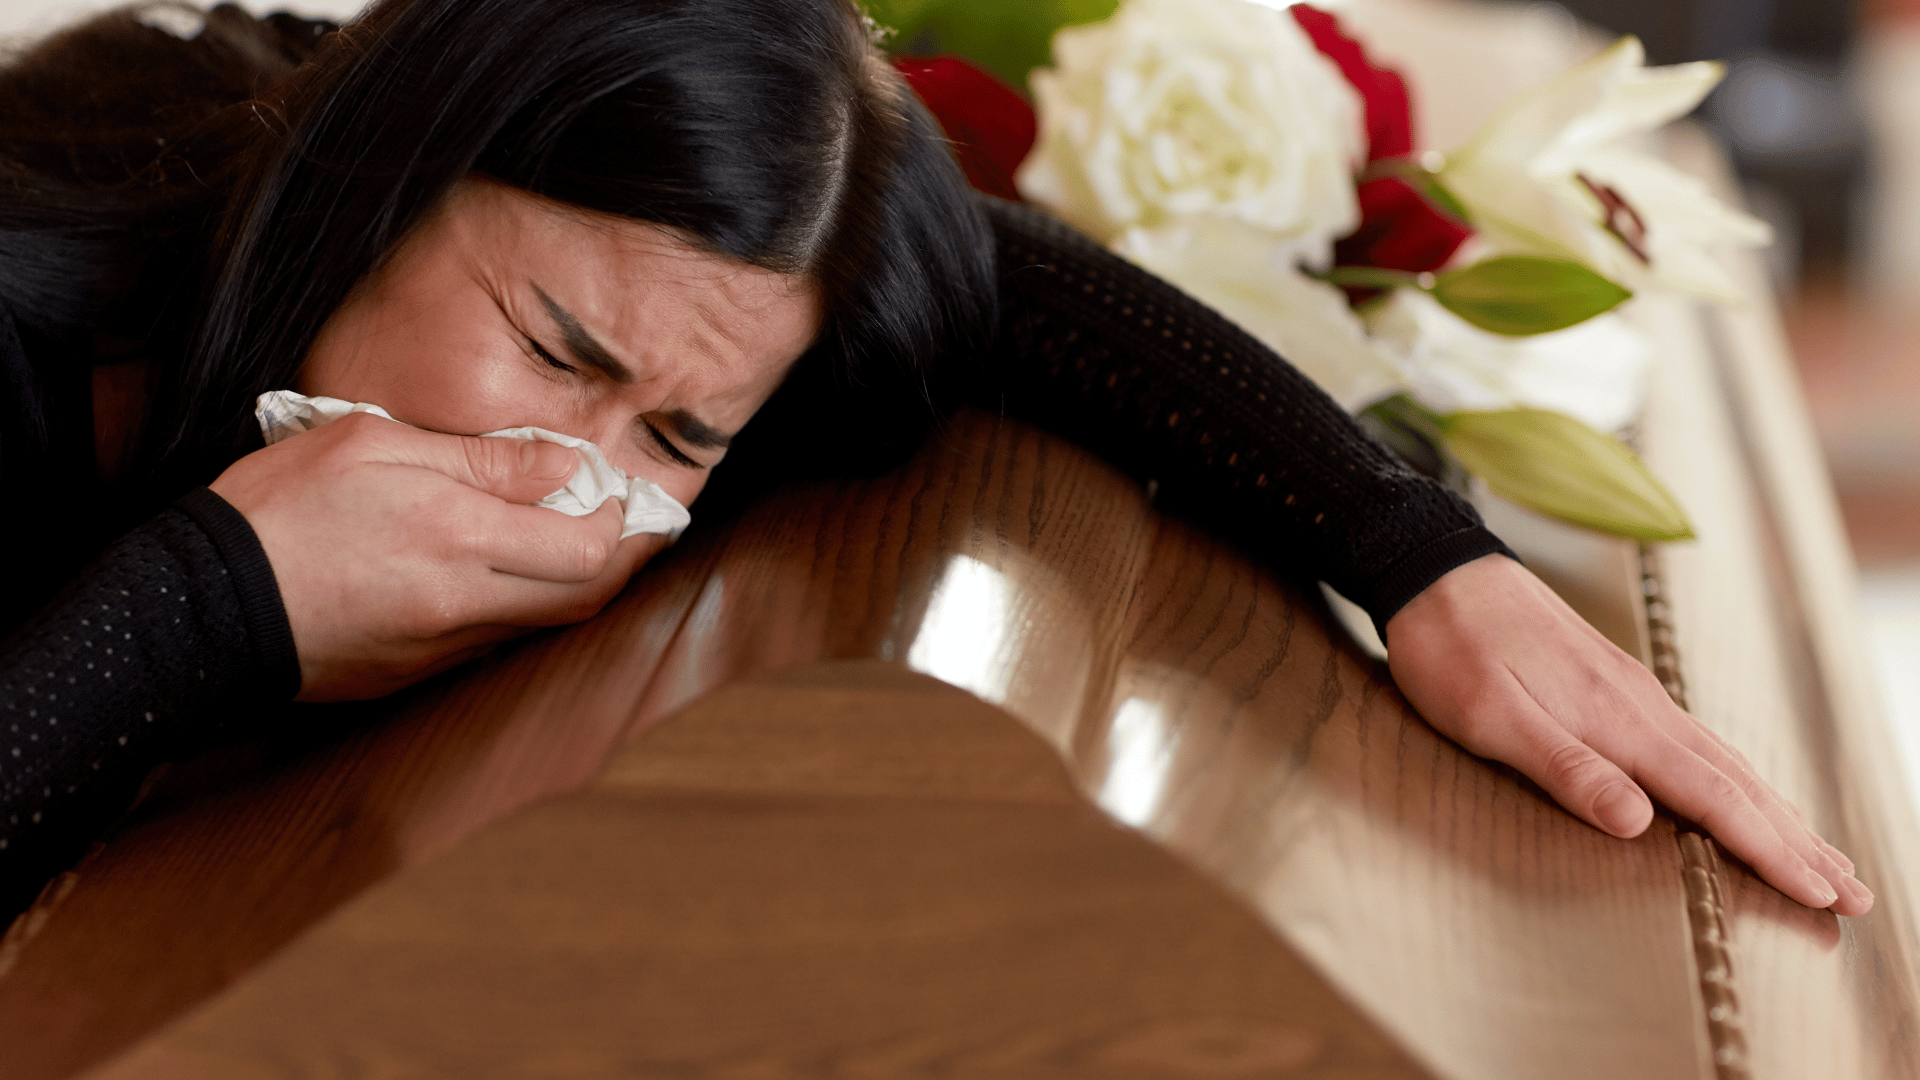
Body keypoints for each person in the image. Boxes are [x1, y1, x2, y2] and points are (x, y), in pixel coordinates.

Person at [0, 0, 1868, 923]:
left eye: (674, 437)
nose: (567, 473)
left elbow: (1015, 293)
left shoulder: (707, 322)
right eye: (554, 348)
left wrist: (1415, 557)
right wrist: (208, 603)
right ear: (369, 187)